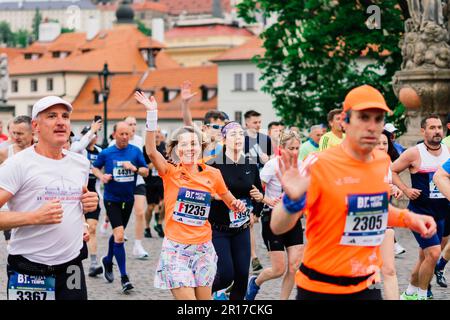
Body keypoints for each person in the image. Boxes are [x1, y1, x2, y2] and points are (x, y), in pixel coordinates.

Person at [270, 85, 436, 300]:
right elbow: (277, 225)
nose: (371, 126)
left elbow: (372, 207)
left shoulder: (381, 160)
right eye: (364, 117)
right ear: (344, 120)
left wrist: (410, 218)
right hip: (320, 288)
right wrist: (293, 201)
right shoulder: (320, 163)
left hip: (366, 286)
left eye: (378, 119)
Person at [136, 91, 246, 300]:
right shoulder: (170, 172)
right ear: (176, 149)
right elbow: (151, 151)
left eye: (193, 144)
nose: (189, 148)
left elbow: (228, 199)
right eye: (183, 144)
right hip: (176, 248)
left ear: (200, 146)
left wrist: (238, 205)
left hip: (203, 248)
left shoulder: (213, 174)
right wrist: (152, 115)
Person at [0, 96, 98, 300]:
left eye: (65, 116)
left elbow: (72, 205)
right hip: (29, 268)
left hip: (71, 266)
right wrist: (34, 217)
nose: (61, 121)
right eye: (52, 116)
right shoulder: (17, 164)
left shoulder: (80, 163)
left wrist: (84, 213)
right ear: (35, 125)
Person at [391, 114, 450, 300]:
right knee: (433, 254)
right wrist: (406, 189)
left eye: (439, 127)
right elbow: (391, 170)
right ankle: (422, 295)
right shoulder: (414, 153)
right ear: (423, 131)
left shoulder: (448, 151)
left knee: (425, 257)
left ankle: (409, 292)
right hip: (419, 212)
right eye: (432, 128)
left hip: (441, 214)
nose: (437, 131)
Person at [206, 121, 264, 300]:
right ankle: (199, 295)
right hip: (219, 228)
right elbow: (204, 194)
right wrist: (215, 196)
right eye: (233, 135)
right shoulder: (214, 165)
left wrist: (256, 210)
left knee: (241, 277)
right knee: (225, 275)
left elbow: (258, 192)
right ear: (224, 139)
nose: (238, 138)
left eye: (240, 134)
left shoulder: (250, 164)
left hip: (241, 228)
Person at [246, 130, 304, 301]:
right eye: (291, 148)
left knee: (294, 266)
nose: (294, 152)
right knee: (278, 269)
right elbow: (255, 189)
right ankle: (255, 282)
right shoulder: (273, 165)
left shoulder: (301, 165)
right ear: (281, 148)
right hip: (272, 219)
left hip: (293, 219)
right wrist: (267, 201)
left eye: (297, 148)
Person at [92, 121, 149, 293]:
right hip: (111, 199)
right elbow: (95, 168)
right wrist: (102, 177)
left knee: (118, 233)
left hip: (128, 198)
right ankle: (124, 278)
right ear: (114, 134)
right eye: (121, 134)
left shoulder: (135, 151)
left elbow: (145, 170)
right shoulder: (108, 152)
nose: (125, 137)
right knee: (120, 235)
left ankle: (108, 260)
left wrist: (134, 168)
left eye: (127, 134)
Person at [110, 116, 149, 260]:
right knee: (118, 214)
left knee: (139, 212)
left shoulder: (139, 141)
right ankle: (116, 231)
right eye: (129, 124)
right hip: (120, 184)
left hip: (137, 181)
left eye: (134, 124)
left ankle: (138, 245)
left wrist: (135, 168)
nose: (132, 127)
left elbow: (144, 163)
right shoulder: (113, 144)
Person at [71, 121, 104, 277]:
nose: (93, 137)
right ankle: (71, 258)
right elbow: (79, 145)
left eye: (95, 134)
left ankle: (93, 263)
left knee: (92, 228)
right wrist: (91, 130)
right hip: (77, 196)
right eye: (90, 134)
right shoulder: (77, 150)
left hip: (94, 194)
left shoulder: (100, 152)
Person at [375, 131, 404, 300]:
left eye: (385, 143)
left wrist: (396, 189)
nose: (381, 146)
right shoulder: (359, 163)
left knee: (390, 270)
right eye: (378, 143)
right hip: (361, 222)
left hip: (384, 220)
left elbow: (389, 186)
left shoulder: (387, 164)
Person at [0, 116, 34, 245]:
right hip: (9, 207)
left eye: (20, 133)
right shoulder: (4, 153)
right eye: (13, 133)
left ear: (33, 132)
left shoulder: (41, 149)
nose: (15, 137)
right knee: (12, 243)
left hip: (33, 204)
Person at [143, 127, 166, 238]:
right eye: (154, 132)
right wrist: (154, 161)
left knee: (165, 203)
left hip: (162, 180)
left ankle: (160, 224)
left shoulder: (165, 147)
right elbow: (144, 167)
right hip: (150, 181)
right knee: (151, 207)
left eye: (158, 131)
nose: (157, 134)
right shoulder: (145, 148)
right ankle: (147, 227)